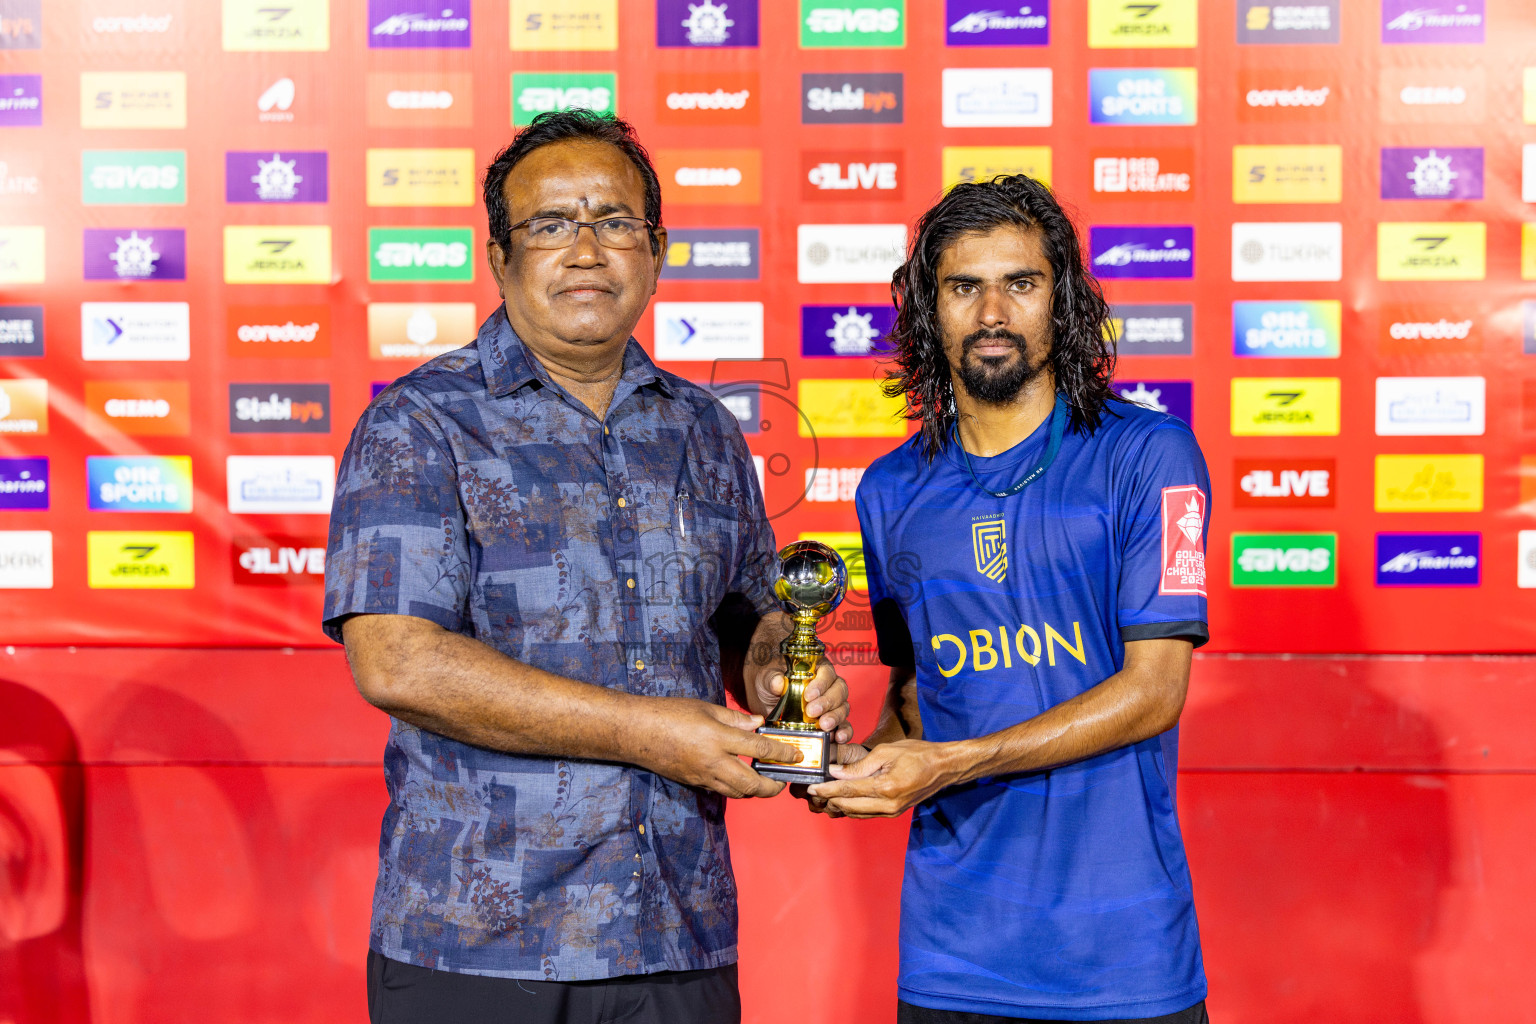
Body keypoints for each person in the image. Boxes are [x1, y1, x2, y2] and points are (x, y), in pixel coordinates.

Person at [323, 109, 852, 1024]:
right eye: (550, 224)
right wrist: (650, 732)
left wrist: (778, 669)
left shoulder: (705, 431)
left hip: (678, 930)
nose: (585, 250)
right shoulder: (420, 426)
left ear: (656, 251)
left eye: (614, 222)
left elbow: (750, 613)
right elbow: (397, 661)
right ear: (498, 255)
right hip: (480, 947)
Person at [809, 175, 1213, 1023]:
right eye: (964, 287)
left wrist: (951, 765)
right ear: (929, 310)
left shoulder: (1151, 455)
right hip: (952, 957)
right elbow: (920, 699)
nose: (993, 311)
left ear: (1060, 301)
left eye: (1020, 284)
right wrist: (854, 755)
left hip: (1122, 959)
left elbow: (1154, 692)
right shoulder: (890, 490)